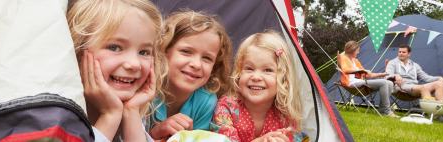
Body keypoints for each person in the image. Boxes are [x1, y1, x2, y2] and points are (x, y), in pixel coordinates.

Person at [67, 0, 163, 141]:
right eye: (114, 47)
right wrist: (110, 116)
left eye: (143, 52)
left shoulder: (134, 112)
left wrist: (131, 114)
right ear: (78, 51)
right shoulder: (56, 119)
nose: (135, 64)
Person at [147, 11, 233, 140]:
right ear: (164, 51)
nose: (196, 64)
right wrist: (155, 133)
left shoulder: (206, 101)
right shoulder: (146, 90)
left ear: (215, 66)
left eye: (207, 58)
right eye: (186, 52)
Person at [213, 31, 303, 142]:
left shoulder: (286, 114)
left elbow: (297, 138)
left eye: (267, 70)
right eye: (249, 68)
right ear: (239, 73)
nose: (256, 77)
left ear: (283, 78)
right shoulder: (226, 107)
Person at [337, 41, 398, 118]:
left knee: (389, 83)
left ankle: (383, 109)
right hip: (351, 84)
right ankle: (386, 110)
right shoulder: (344, 58)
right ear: (352, 50)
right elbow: (345, 70)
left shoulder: (356, 61)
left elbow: (368, 75)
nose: (358, 52)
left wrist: (382, 74)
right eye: (357, 50)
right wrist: (362, 71)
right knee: (384, 83)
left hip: (361, 82)